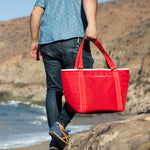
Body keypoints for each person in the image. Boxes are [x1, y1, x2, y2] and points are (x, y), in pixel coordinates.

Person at [30, 0, 97, 149]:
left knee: (54, 89)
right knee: (85, 84)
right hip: (74, 37)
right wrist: (91, 25)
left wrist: (34, 40)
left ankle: (56, 142)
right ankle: (60, 124)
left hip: (47, 42)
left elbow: (36, 12)